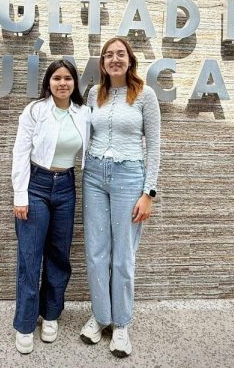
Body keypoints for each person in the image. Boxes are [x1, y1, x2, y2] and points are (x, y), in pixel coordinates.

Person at [79, 37, 161, 358]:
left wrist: (149, 192)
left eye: (120, 54)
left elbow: (154, 145)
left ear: (130, 60)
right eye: (108, 55)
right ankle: (101, 317)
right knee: (96, 251)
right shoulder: (93, 94)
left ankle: (122, 323)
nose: (114, 59)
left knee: (123, 254)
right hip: (94, 176)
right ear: (102, 63)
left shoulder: (145, 95)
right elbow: (86, 134)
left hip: (129, 177)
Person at [11, 59, 91, 354]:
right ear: (48, 82)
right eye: (57, 78)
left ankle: (51, 315)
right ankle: (24, 323)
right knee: (30, 256)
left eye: (67, 78)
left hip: (66, 186)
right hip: (37, 185)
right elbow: (20, 152)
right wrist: (20, 195)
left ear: (74, 83)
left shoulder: (83, 113)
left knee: (59, 255)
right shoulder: (34, 110)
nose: (62, 83)